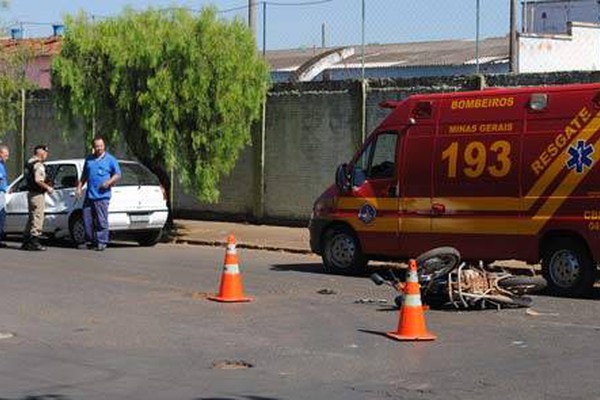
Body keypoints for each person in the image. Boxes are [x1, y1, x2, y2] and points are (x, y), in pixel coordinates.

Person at [76, 136, 121, 251]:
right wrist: (79, 187)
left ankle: (102, 242)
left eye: (101, 146)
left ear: (104, 146)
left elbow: (117, 174)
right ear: (93, 147)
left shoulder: (110, 159)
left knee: (101, 220)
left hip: (102, 196)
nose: (99, 148)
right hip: (90, 195)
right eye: (97, 146)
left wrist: (108, 182)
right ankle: (89, 240)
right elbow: (84, 175)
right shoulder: (89, 159)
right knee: (87, 220)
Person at [22, 145, 53, 251]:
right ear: (40, 153)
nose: (46, 155)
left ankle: (26, 241)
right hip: (37, 194)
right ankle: (34, 242)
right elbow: (38, 180)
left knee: (31, 217)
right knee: (38, 217)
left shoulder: (29, 162)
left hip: (31, 193)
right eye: (45, 153)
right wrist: (48, 187)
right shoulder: (38, 164)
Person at [0, 144, 10, 248]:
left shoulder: (2, 165)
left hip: (2, 192)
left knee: (2, 215)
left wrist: (7, 188)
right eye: (6, 155)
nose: (7, 157)